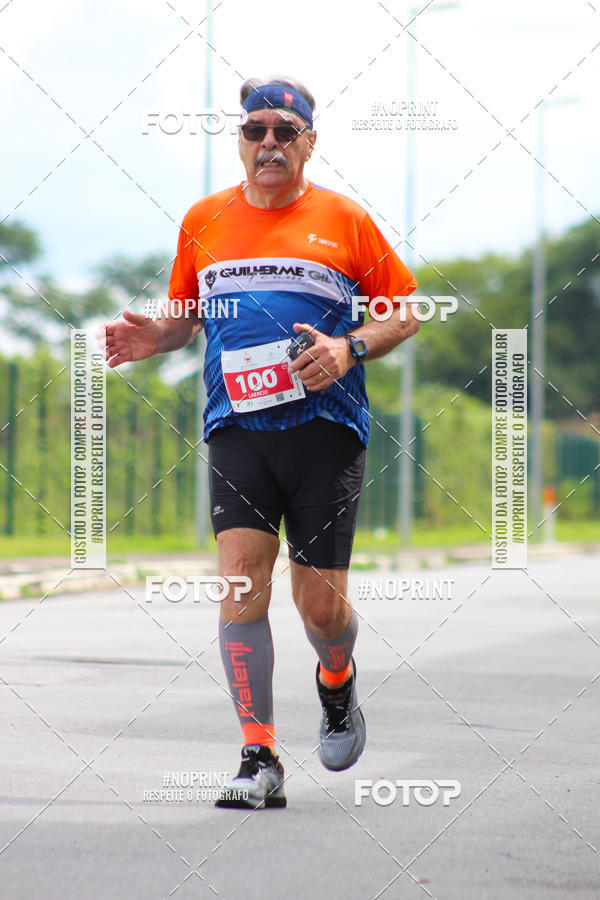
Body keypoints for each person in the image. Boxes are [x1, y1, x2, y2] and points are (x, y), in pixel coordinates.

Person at [102, 75, 419, 810]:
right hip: (237, 428)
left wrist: (350, 348)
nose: (268, 143)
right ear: (240, 142)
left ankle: (336, 684)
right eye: (255, 131)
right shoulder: (204, 220)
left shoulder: (344, 220)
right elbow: (184, 319)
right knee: (242, 578)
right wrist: (160, 335)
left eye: (284, 131)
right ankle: (259, 754)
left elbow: (403, 312)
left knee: (320, 609)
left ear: (309, 142)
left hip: (326, 430)